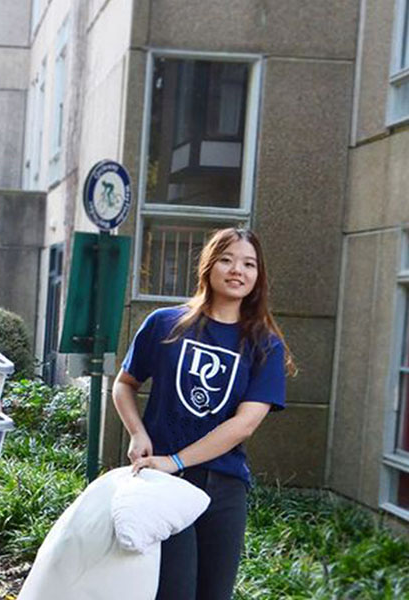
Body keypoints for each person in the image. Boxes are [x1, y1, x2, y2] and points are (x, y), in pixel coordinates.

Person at [113, 227, 295, 600]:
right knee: (171, 592)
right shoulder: (165, 324)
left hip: (224, 487)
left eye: (249, 264)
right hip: (163, 485)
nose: (237, 271)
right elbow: (124, 384)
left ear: (258, 276)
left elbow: (244, 424)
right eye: (227, 260)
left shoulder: (265, 344)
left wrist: (176, 460)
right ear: (209, 266)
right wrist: (138, 434)